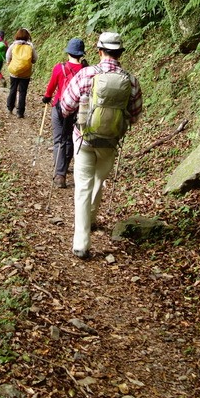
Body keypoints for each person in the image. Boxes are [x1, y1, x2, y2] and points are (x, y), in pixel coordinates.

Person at [60, 32, 142, 259]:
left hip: (85, 139)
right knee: (99, 180)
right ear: (120, 53)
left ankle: (81, 242)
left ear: (99, 51)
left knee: (83, 187)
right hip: (111, 142)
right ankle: (93, 217)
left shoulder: (87, 74)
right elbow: (135, 115)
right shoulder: (131, 80)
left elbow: (66, 106)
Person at [41, 38, 87, 189]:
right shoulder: (86, 70)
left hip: (60, 106)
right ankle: (65, 166)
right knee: (70, 138)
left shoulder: (59, 68)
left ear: (68, 52)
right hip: (78, 110)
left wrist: (47, 97)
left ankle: (60, 175)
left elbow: (51, 86)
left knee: (59, 139)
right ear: (81, 54)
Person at [5, 27, 37, 118]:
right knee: (23, 92)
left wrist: (10, 64)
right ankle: (20, 112)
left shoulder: (13, 45)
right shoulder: (30, 46)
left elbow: (7, 57)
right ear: (27, 36)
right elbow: (35, 59)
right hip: (26, 73)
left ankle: (10, 107)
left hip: (14, 72)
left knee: (13, 89)